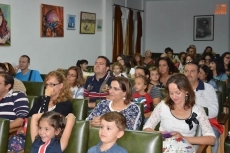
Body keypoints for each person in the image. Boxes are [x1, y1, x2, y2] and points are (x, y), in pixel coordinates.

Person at [143, 73, 215, 152]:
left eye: (178, 93)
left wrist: (183, 137)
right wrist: (160, 134)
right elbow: (146, 128)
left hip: (184, 149)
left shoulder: (198, 110)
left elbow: (211, 139)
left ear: (186, 91)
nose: (174, 97)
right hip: (162, 147)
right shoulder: (163, 106)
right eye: (171, 93)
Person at [184, 62, 220, 153]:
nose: (189, 74)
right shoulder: (179, 89)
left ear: (198, 74)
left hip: (206, 122)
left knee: (213, 138)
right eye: (186, 71)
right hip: (182, 121)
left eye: (192, 71)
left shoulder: (208, 88)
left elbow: (214, 111)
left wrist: (196, 113)